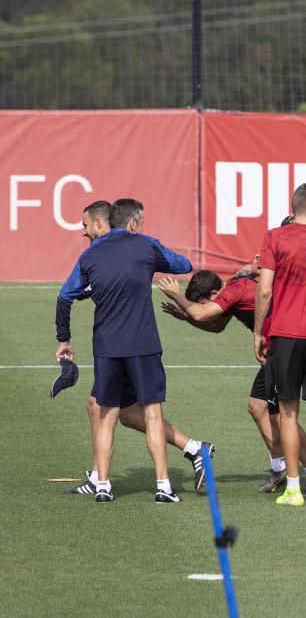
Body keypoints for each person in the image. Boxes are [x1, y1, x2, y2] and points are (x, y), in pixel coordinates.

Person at [61, 200, 210, 497]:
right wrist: (150, 254)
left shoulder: (91, 255)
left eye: (86, 225)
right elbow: (183, 265)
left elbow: (65, 295)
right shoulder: (145, 245)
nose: (84, 231)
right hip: (142, 344)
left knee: (105, 411)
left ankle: (101, 484)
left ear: (105, 223)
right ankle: (166, 483)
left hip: (107, 347)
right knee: (144, 411)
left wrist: (63, 338)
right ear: (133, 224)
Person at [158, 266, 306, 494]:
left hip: (281, 351)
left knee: (284, 417)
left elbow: (202, 314)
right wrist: (187, 316)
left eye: (201, 302)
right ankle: (280, 467)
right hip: (273, 352)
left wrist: (177, 296)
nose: (199, 307)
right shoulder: (232, 289)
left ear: (215, 295)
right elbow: (217, 326)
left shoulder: (233, 292)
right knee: (257, 407)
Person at [254, 183, 306, 509]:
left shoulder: (274, 236)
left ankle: (293, 488)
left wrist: (259, 331)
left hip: (286, 334)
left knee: (288, 413)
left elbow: (264, 290)